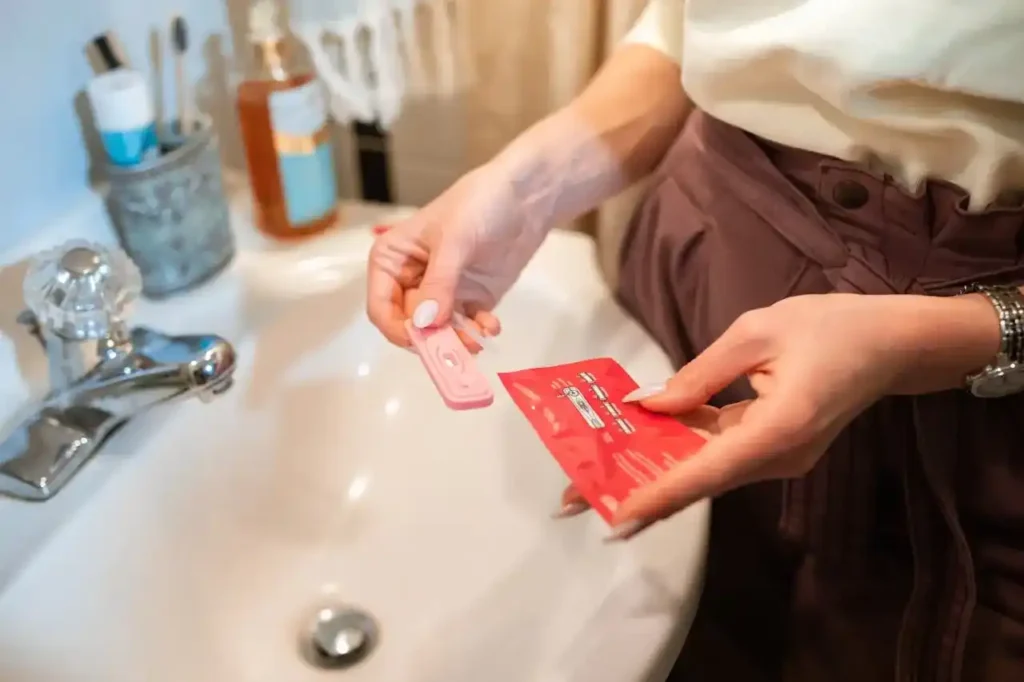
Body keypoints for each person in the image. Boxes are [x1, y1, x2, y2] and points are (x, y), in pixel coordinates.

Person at [366, 0, 1024, 679]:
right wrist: (527, 186)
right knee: (678, 618)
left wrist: (958, 335)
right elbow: (688, 29)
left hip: (964, 379)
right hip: (698, 253)